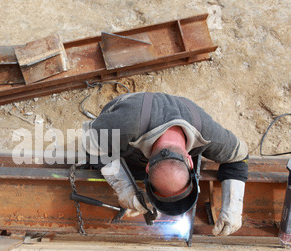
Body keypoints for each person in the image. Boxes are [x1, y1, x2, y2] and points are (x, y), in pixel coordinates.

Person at [82, 92, 248, 236]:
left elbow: (239, 156)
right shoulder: (123, 127)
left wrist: (232, 207)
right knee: (102, 149)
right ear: (147, 167)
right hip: (129, 113)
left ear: (190, 161)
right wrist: (123, 187)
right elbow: (90, 141)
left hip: (172, 114)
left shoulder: (210, 134)